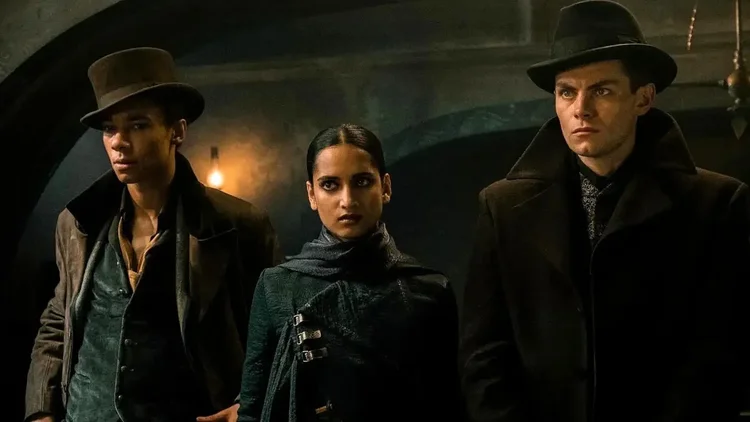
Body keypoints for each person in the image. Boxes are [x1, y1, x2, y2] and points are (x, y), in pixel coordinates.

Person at [459, 1, 750, 421]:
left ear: (643, 98)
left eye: (602, 90)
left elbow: (721, 351)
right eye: (567, 92)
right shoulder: (503, 208)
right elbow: (483, 354)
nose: (581, 108)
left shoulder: (716, 204)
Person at [24, 47, 282, 422]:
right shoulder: (78, 224)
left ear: (177, 131)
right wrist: (40, 412)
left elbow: (277, 330)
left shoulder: (236, 225)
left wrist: (249, 405)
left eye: (138, 125)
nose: (118, 141)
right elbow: (57, 321)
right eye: (109, 129)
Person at [237, 124, 463, 422]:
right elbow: (253, 407)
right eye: (330, 185)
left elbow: (448, 405)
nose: (347, 200)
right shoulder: (276, 286)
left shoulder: (427, 289)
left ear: (385, 187)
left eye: (362, 182)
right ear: (312, 194)